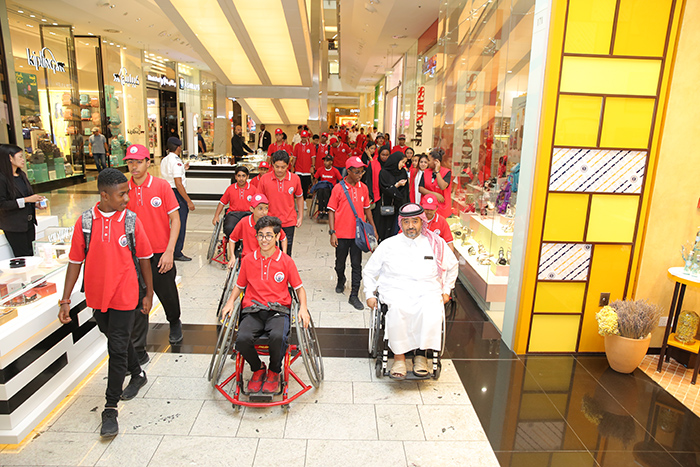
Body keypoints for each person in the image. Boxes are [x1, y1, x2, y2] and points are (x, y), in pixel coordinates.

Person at [58, 168, 154, 437]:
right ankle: (137, 374)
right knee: (114, 337)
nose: (127, 198)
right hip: (98, 296)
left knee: (116, 347)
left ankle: (110, 408)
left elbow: (145, 259)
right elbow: (75, 262)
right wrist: (65, 299)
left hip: (125, 294)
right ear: (104, 195)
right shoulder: (86, 222)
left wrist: (148, 294)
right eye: (121, 194)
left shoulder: (131, 221)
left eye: (127, 192)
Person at [363, 203, 458, 379]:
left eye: (415, 221)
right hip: (396, 290)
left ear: (422, 222)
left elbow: (453, 266)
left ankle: (421, 356)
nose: (411, 226)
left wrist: (447, 290)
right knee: (398, 309)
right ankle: (399, 358)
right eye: (406, 222)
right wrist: (369, 294)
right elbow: (369, 271)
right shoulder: (389, 245)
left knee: (430, 309)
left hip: (427, 291)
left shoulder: (436, 244)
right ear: (401, 223)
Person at [221, 215, 310, 394]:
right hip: (253, 309)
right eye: (261, 235)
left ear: (277, 237)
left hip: (278, 310)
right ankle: (258, 368)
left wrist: (303, 308)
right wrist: (230, 302)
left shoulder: (286, 261)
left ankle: (274, 371)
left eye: (269, 235)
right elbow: (239, 286)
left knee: (278, 337)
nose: (264, 239)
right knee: (242, 339)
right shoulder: (248, 260)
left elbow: (299, 289)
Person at [124, 144, 183, 364]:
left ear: (148, 163)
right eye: (130, 162)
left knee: (167, 293)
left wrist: (170, 251)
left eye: (139, 162)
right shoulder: (123, 189)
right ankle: (139, 342)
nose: (134, 166)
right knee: (138, 297)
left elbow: (175, 219)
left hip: (160, 252)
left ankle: (174, 321)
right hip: (134, 255)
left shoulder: (161, 186)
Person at [328, 156, 376, 310]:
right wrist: (332, 232)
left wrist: (373, 228)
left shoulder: (364, 188)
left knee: (357, 264)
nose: (360, 174)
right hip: (341, 234)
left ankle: (354, 294)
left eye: (361, 171)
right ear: (348, 171)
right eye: (356, 171)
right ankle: (341, 279)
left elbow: (367, 209)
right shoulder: (338, 188)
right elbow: (331, 211)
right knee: (339, 264)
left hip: (358, 235)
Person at [0, 144, 46, 256]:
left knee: (32, 254)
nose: (23, 160)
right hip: (14, 226)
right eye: (20, 157)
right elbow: (2, 204)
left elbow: (27, 197)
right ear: (10, 158)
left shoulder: (21, 175)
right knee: (23, 256)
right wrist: (26, 200)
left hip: (28, 223)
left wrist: (35, 203)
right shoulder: (2, 179)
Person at [255, 151, 303, 256]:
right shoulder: (265, 179)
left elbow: (299, 197)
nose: (280, 170)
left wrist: (300, 216)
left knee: (286, 252)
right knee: (269, 251)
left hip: (288, 221)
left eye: (283, 167)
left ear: (288, 165)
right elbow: (259, 201)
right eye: (277, 167)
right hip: (269, 221)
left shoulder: (295, 179)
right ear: (272, 164)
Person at [160, 136, 194, 261]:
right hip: (176, 193)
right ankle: (177, 252)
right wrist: (188, 201)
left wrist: (183, 168)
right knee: (179, 222)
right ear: (178, 147)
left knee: (168, 222)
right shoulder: (176, 161)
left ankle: (168, 248)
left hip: (166, 192)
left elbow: (170, 175)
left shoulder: (165, 160)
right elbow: (178, 183)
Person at [228, 194, 287, 263]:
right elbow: (232, 239)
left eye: (266, 208)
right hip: (249, 259)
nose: (264, 212)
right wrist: (232, 256)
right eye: (260, 208)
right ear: (252, 209)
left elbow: (283, 239)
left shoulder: (271, 222)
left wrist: (284, 255)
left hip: (268, 258)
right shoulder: (244, 222)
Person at [212, 166, 256, 238]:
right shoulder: (230, 188)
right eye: (239, 176)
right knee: (229, 228)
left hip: (248, 214)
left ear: (247, 177)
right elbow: (222, 203)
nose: (241, 178)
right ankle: (235, 243)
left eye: (243, 176)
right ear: (235, 177)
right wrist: (216, 216)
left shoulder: (253, 189)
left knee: (252, 229)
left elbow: (258, 204)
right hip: (233, 214)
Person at [376, 151, 409, 241]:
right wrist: (397, 185)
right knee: (385, 230)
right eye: (402, 162)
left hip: (399, 206)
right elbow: (385, 189)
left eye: (404, 162)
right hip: (387, 206)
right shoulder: (384, 173)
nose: (403, 165)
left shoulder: (402, 172)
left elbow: (405, 191)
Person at [420, 149, 452, 218]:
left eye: (429, 160)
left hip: (441, 207)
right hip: (427, 206)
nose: (427, 162)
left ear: (436, 161)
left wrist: (437, 171)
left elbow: (442, 186)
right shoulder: (425, 172)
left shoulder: (447, 172)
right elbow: (420, 188)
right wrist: (434, 194)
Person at [292, 130, 316, 199]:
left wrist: (312, 166)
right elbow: (294, 157)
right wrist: (292, 167)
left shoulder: (310, 146)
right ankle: (298, 200)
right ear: (300, 137)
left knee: (305, 187)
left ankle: (304, 200)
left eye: (305, 137)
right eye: (302, 137)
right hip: (298, 170)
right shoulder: (297, 146)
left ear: (307, 137)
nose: (304, 139)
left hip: (307, 171)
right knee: (298, 186)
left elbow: (313, 157)